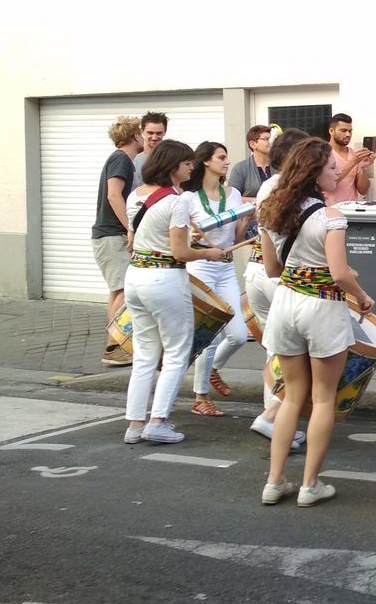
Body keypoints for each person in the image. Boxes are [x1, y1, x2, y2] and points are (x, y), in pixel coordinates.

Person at [258, 137, 376, 507]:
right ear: (312, 173)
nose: (337, 171)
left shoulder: (270, 210)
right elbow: (339, 274)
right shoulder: (331, 217)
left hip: (285, 305)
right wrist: (362, 295)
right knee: (323, 399)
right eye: (330, 167)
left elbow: (273, 269)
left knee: (292, 397)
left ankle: (274, 482)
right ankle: (310, 484)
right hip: (322, 308)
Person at [122, 139, 229, 445]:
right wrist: (209, 254)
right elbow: (180, 252)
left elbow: (133, 240)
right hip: (165, 280)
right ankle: (158, 421)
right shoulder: (177, 201)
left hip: (136, 277)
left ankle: (134, 424)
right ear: (173, 167)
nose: (191, 167)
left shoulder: (135, 197)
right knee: (176, 353)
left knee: (144, 355)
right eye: (186, 163)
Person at [242, 128, 309, 450]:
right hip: (281, 276)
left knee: (275, 350)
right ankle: (274, 417)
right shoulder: (292, 188)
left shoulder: (267, 185)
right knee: (295, 354)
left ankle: (274, 420)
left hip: (255, 271)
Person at [183, 142, 254, 417]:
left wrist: (248, 219)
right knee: (209, 335)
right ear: (206, 162)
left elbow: (236, 239)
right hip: (200, 266)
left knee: (237, 334)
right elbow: (181, 237)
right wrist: (194, 237)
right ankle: (201, 397)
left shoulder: (234, 194)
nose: (227, 162)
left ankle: (213, 369)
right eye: (221, 158)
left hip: (225, 267)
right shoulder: (188, 198)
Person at [92, 116, 143, 367]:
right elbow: (114, 195)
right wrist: (130, 228)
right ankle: (115, 346)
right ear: (135, 136)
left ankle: (116, 343)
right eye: (143, 133)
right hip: (112, 235)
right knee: (123, 289)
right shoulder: (121, 159)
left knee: (117, 290)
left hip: (108, 235)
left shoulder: (122, 160)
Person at [324, 113, 373, 205]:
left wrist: (362, 168)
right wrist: (353, 162)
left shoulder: (354, 154)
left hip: (352, 211)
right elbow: (327, 185)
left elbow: (363, 190)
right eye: (343, 130)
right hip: (330, 210)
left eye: (350, 131)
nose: (348, 134)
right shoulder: (322, 153)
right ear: (331, 131)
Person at [227, 125, 274, 199]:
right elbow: (232, 197)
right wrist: (258, 201)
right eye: (266, 139)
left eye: (271, 139)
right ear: (252, 144)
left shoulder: (280, 166)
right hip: (252, 210)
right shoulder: (240, 168)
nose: (270, 142)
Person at [132, 111, 168, 186]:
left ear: (165, 132)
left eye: (159, 133)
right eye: (150, 133)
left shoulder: (171, 159)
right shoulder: (133, 160)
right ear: (142, 131)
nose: (154, 138)